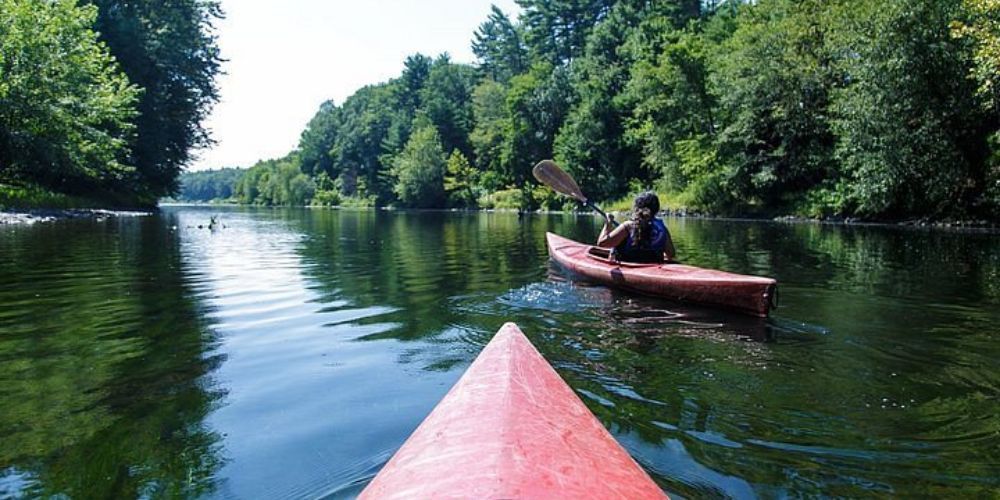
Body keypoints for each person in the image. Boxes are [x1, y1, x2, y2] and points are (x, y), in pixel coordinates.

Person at [596, 191, 676, 263]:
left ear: (637, 208)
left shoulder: (628, 226)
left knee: (615, 248)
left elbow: (601, 243)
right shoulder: (662, 229)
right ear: (656, 209)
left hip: (629, 266)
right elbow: (671, 254)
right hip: (653, 266)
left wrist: (608, 224)